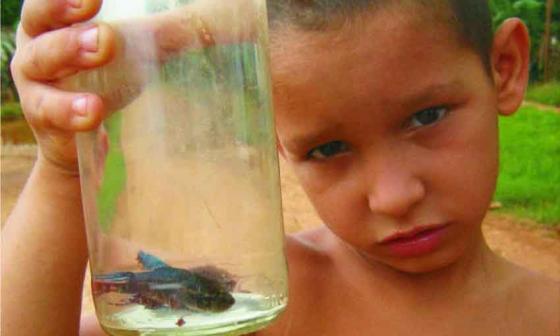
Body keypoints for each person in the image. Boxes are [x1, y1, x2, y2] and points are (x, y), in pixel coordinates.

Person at [3, 0, 559, 335]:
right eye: (327, 149)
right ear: (273, 138)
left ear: (504, 67)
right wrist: (64, 170)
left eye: (427, 115)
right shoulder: (249, 300)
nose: (393, 196)